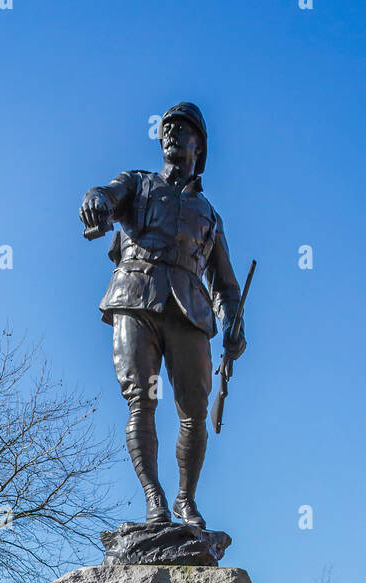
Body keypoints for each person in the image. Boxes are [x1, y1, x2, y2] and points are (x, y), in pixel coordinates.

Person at [79, 102, 247, 528]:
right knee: (142, 400)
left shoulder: (210, 215)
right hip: (135, 296)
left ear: (199, 147)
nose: (171, 132)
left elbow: (226, 286)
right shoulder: (137, 183)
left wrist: (233, 321)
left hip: (189, 311)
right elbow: (105, 195)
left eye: (183, 128)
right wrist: (95, 199)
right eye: (167, 127)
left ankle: (185, 501)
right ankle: (154, 500)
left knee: (194, 408)